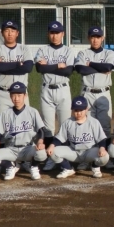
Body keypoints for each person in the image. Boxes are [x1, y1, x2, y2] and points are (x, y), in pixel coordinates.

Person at [34, 21, 75, 168]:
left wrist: (48, 66)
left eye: (57, 33)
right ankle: (51, 158)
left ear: (62, 34)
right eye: (52, 32)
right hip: (47, 90)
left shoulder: (68, 51)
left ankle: (63, 156)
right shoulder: (42, 50)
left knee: (65, 125)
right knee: (48, 128)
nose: (54, 35)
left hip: (63, 89)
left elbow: (68, 71)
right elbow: (39, 69)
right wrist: (58, 65)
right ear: (48, 34)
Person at [0, 82, 47, 181]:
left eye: (19, 95)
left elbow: (41, 130)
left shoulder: (32, 112)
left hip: (27, 148)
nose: (16, 98)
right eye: (13, 95)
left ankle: (33, 166)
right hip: (11, 149)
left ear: (25, 96)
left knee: (41, 153)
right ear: (10, 96)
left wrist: (40, 142)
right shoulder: (5, 113)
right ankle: (10, 166)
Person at [47, 96, 110, 179]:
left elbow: (101, 139)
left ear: (86, 109)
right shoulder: (68, 122)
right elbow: (59, 138)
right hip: (73, 152)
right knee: (53, 151)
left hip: (89, 152)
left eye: (81, 110)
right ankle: (68, 169)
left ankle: (95, 167)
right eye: (76, 110)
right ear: (72, 110)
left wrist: (102, 148)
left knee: (105, 156)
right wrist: (51, 145)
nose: (79, 113)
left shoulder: (94, 122)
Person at [0, 20, 33, 123]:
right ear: (2, 33)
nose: (10, 33)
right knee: (1, 127)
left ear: (17, 33)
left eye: (12, 31)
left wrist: (4, 65)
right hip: (3, 94)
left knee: (24, 126)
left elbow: (28, 68)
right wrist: (17, 64)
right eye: (6, 30)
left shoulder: (24, 49)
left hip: (21, 94)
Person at [74, 26, 114, 136]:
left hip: (104, 93)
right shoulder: (83, 53)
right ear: (88, 38)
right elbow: (81, 69)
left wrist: (90, 64)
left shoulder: (109, 53)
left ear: (102, 38)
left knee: (105, 126)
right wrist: (101, 69)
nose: (95, 40)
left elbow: (108, 67)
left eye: (98, 37)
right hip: (87, 93)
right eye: (93, 37)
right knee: (87, 125)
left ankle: (105, 147)